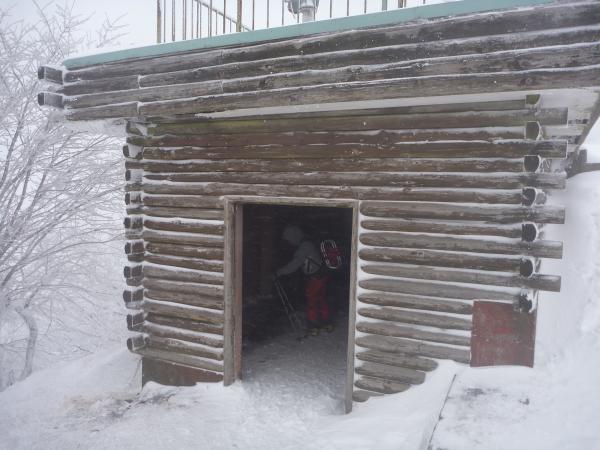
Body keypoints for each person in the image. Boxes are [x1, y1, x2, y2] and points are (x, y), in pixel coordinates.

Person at [275, 225, 332, 335]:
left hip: (315, 277)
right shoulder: (309, 243)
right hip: (322, 274)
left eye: (289, 239)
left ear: (294, 236)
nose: (289, 242)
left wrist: (279, 272)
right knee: (320, 298)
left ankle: (314, 325)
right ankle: (325, 322)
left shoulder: (304, 247)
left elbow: (295, 264)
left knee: (312, 300)